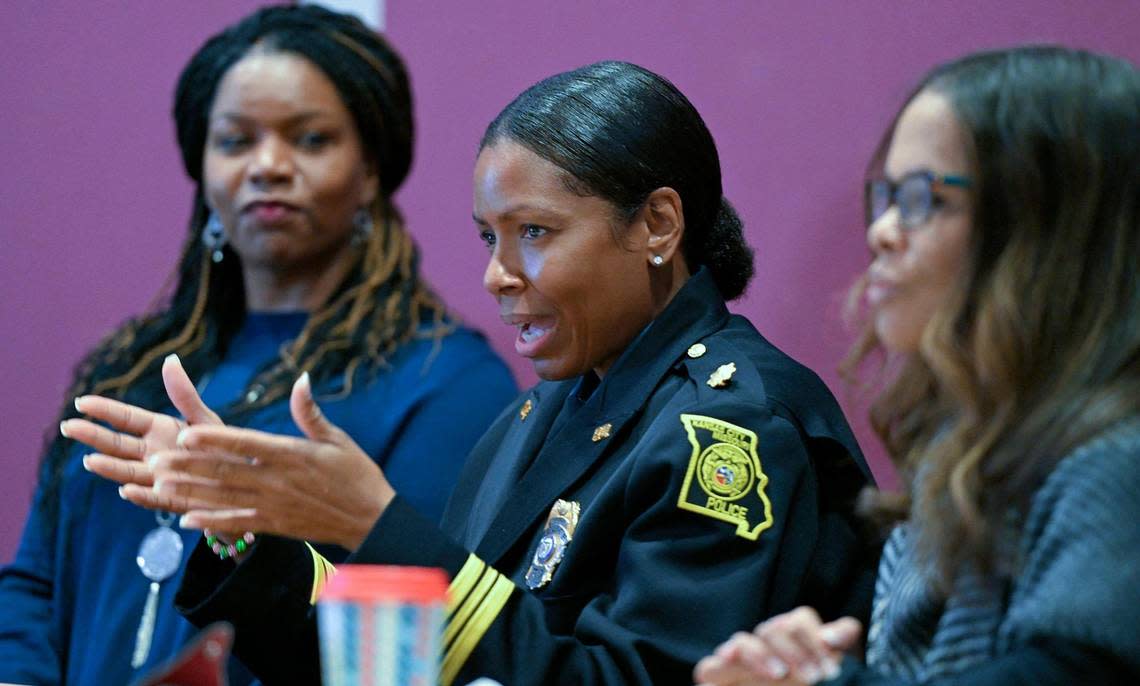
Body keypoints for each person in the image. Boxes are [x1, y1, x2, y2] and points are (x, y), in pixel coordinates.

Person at [92, 61, 877, 685]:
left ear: (657, 225)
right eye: (487, 238)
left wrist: (374, 525)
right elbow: (413, 666)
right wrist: (245, 539)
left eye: (534, 231)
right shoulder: (542, 413)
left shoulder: (735, 427)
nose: (498, 275)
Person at [0, 6, 516, 685]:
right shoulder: (129, 368)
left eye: (309, 140)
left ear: (370, 171)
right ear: (203, 165)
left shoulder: (445, 383)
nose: (268, 166)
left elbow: (418, 635)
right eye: (236, 141)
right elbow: (35, 584)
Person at [694, 46, 1140, 686]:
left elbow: (1073, 673)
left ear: (1052, 231)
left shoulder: (1119, 461)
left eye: (922, 198)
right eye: (887, 196)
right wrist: (812, 663)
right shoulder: (960, 449)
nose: (881, 232)